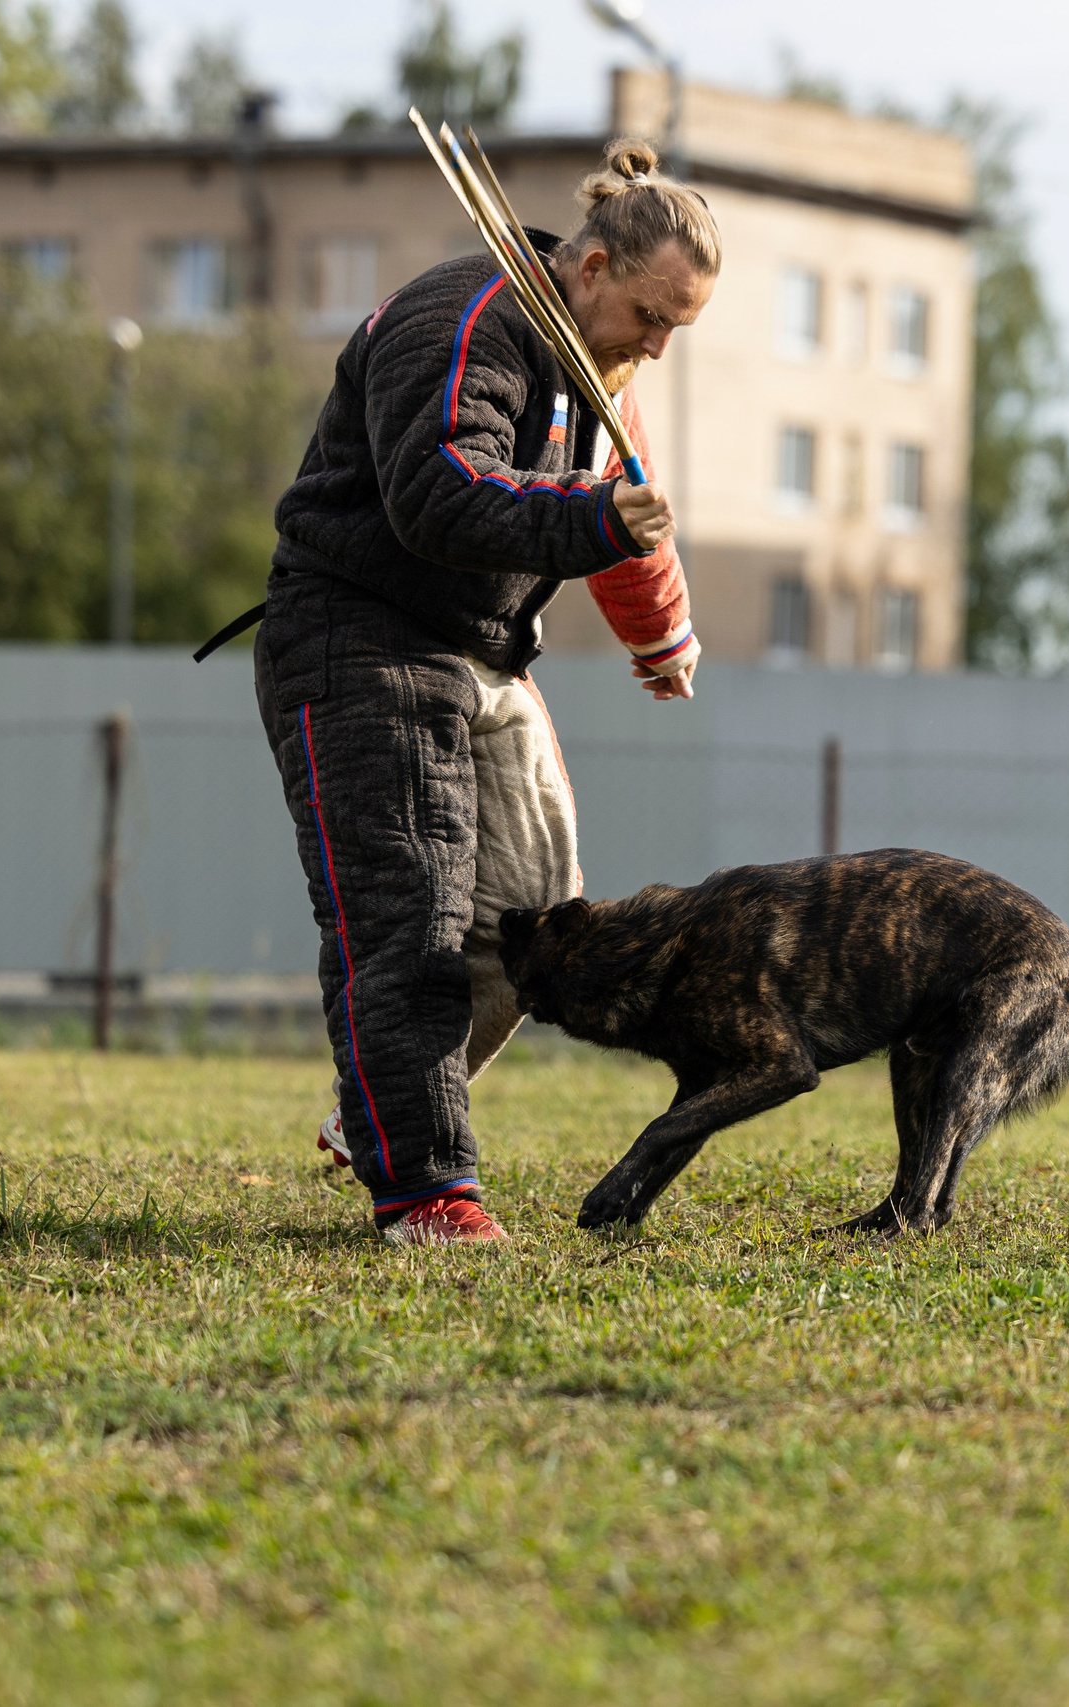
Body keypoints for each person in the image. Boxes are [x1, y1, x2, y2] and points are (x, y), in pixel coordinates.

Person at [253, 138, 719, 1246]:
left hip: (485, 649)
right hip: (359, 635)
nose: (656, 348)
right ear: (592, 265)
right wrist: (592, 521)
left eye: (677, 333)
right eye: (651, 318)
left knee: (535, 933)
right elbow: (438, 495)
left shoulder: (599, 360)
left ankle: (373, 1113)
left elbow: (627, 496)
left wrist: (663, 636)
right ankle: (424, 1191)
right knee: (406, 912)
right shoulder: (466, 317)